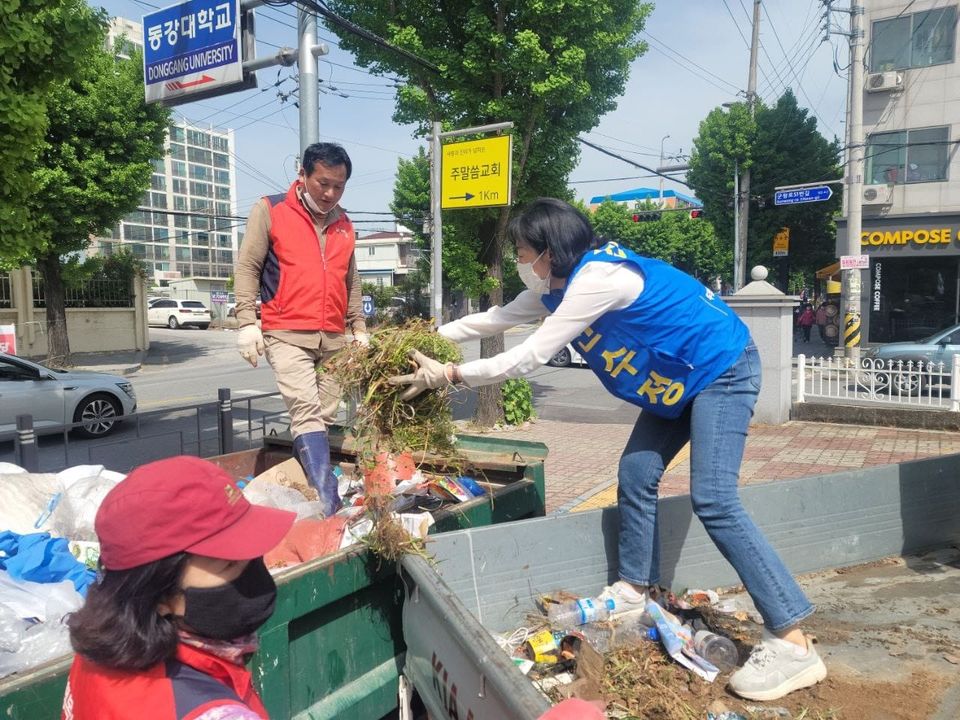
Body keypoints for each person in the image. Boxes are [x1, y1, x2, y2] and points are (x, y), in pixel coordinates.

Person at [389, 198, 827, 702]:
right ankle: (633, 590)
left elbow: (530, 354)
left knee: (714, 499)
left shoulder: (599, 279)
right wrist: (418, 339)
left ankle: (793, 641)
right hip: (676, 382)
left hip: (721, 369)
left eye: (523, 250)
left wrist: (448, 373)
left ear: (550, 251)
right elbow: (493, 320)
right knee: (636, 474)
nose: (518, 260)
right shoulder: (558, 285)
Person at [63, 456, 296, 719]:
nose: (254, 568)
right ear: (159, 594)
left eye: (254, 550)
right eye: (230, 564)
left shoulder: (99, 653)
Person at [234, 142, 368, 516]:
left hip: (335, 335)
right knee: (306, 412)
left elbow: (350, 279)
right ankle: (329, 501)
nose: (330, 193)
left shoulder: (344, 223)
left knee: (325, 416)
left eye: (338, 186)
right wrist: (247, 322)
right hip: (286, 330)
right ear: (303, 175)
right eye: (323, 183)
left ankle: (305, 490)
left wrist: (358, 326)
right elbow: (248, 267)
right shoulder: (271, 209)